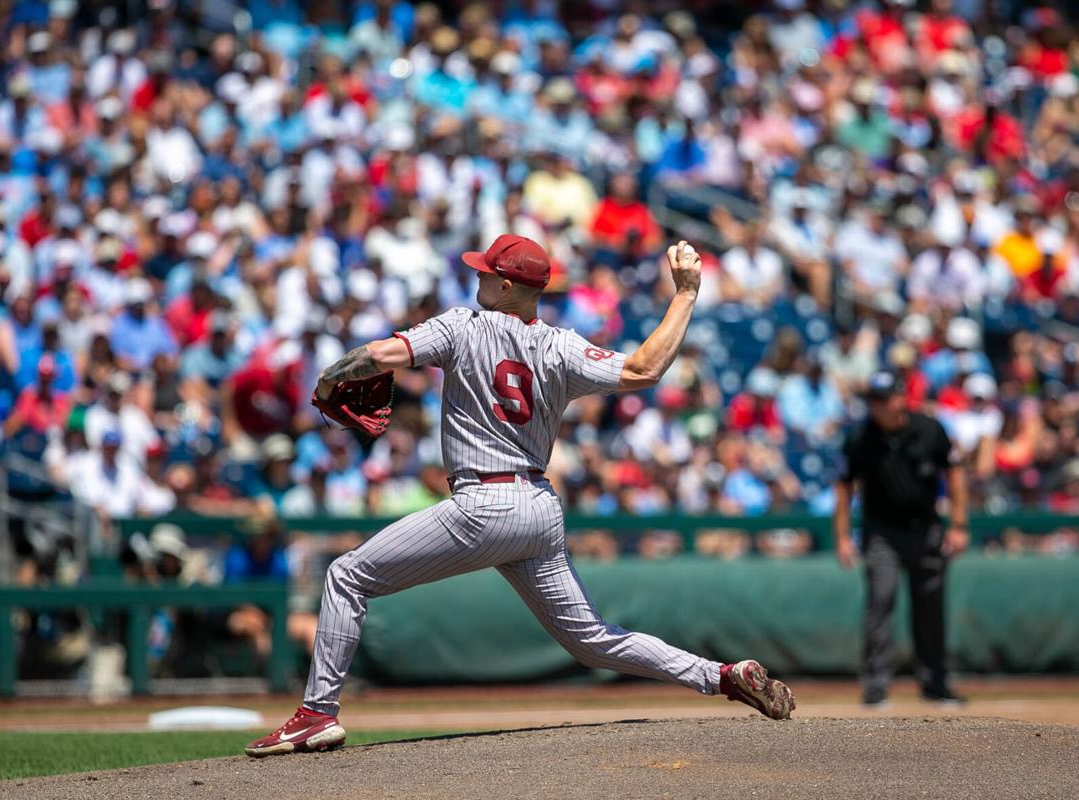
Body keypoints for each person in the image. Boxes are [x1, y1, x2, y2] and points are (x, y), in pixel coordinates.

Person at [245, 236, 795, 757]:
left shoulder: (463, 326)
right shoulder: (560, 344)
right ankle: (720, 675)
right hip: (537, 508)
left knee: (347, 574)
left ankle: (318, 712)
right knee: (593, 641)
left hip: (483, 503)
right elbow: (644, 368)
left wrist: (325, 382)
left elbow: (381, 356)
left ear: (507, 287)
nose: (477, 275)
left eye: (487, 271)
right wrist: (686, 293)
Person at [833, 371, 969, 707]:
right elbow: (843, 486)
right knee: (880, 602)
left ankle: (935, 683)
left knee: (931, 608)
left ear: (900, 398)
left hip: (926, 528)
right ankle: (876, 686)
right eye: (872, 400)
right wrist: (841, 536)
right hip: (882, 533)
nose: (877, 406)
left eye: (883, 398)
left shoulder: (928, 429)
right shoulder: (861, 436)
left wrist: (959, 524)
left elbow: (954, 473)